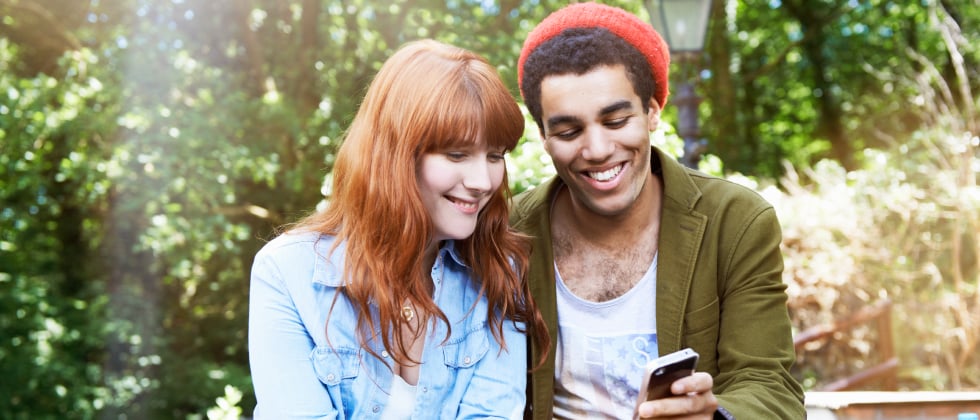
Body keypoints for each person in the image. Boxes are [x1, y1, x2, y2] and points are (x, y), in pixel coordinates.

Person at [510, 3, 805, 419]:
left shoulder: (736, 221)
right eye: (569, 131)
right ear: (542, 135)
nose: (596, 150)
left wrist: (713, 416)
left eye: (615, 121)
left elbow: (770, 387)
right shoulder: (506, 231)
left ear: (652, 111)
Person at [248, 39, 549, 419]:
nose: (482, 181)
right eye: (456, 154)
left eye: (494, 156)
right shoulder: (287, 272)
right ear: (395, 155)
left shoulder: (500, 271)